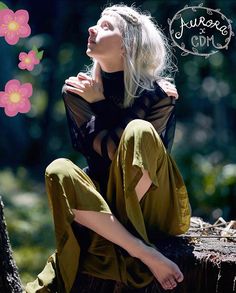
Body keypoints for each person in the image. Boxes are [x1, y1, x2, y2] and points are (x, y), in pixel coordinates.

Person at [26, 4, 191, 293]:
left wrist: (100, 104)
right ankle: (141, 252)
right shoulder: (78, 91)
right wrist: (97, 101)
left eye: (105, 27)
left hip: (149, 203)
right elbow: (103, 151)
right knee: (58, 169)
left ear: (128, 45)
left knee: (139, 131)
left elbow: (133, 153)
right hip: (105, 200)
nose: (92, 29)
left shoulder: (160, 95)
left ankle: (112, 236)